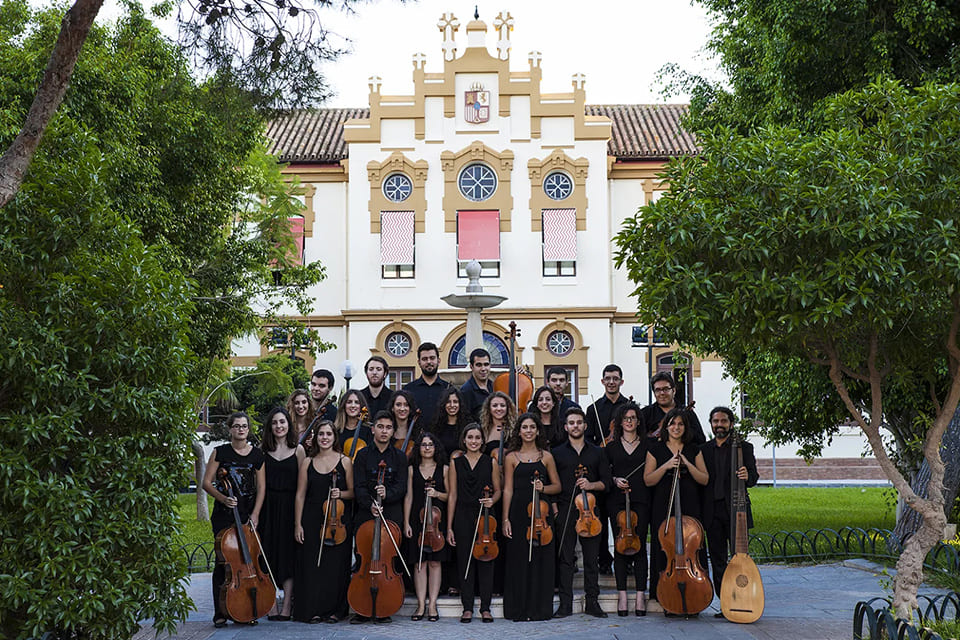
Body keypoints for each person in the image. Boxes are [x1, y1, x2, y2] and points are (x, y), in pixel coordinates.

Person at [202, 412, 266, 628]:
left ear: (248, 429)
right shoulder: (220, 452)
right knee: (224, 564)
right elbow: (207, 483)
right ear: (230, 429)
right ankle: (220, 613)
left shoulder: (257, 455)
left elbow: (261, 488)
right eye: (237, 426)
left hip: (247, 514)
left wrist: (256, 513)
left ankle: (246, 610)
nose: (241, 429)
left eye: (244, 426)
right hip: (224, 515)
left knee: (247, 561)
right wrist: (223, 498)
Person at [644, 406, 709, 611]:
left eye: (680, 424)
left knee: (692, 546)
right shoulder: (655, 449)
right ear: (666, 426)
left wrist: (687, 464)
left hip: (689, 503)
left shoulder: (693, 449)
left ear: (685, 427)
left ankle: (696, 593)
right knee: (665, 548)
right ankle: (665, 595)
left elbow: (704, 479)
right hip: (663, 504)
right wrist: (666, 466)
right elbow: (648, 480)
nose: (676, 427)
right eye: (672, 423)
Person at [552, 407, 612, 619]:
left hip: (591, 511)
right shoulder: (557, 453)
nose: (575, 426)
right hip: (567, 509)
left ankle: (592, 602)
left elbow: (606, 483)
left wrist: (591, 484)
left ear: (585, 426)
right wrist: (555, 508)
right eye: (571, 423)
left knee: (591, 559)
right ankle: (565, 604)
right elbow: (553, 483)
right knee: (566, 559)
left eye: (579, 422)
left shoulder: (597, 452)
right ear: (566, 426)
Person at [501, 413, 561, 621]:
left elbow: (557, 486)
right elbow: (507, 489)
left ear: (537, 431)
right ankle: (519, 609)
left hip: (541, 515)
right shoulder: (510, 457)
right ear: (519, 431)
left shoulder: (546, 457)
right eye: (524, 427)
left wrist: (543, 487)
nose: (528, 431)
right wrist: (505, 518)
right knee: (519, 561)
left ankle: (539, 609)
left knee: (540, 561)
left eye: (532, 427)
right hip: (518, 514)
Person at [350, 411, 409, 624]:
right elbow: (359, 486)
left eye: (388, 427)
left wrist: (388, 494)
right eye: (380, 426)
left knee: (385, 558)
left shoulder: (400, 457)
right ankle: (362, 607)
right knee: (364, 560)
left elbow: (401, 486)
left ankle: (384, 606)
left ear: (393, 431)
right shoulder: (363, 456)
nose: (384, 431)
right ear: (373, 428)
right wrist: (370, 503)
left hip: (391, 513)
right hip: (367, 512)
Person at [293, 421, 354, 624]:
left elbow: (353, 493)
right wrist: (297, 524)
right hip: (312, 520)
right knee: (312, 566)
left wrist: (341, 493)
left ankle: (336, 610)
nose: (325, 438)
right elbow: (300, 495)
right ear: (316, 438)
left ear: (334, 437)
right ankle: (313, 609)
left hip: (336, 521)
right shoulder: (307, 462)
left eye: (328, 434)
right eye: (321, 434)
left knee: (336, 567)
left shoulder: (345, 462)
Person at [700, 406, 759, 615]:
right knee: (717, 560)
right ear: (711, 424)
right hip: (712, 512)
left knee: (739, 558)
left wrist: (746, 476)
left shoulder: (745, 448)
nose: (719, 425)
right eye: (716, 422)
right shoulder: (704, 449)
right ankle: (726, 602)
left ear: (731, 423)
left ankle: (743, 600)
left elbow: (753, 478)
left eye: (723, 421)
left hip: (736, 511)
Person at [446, 424, 501, 623]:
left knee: (486, 560)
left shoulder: (491, 462)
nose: (474, 441)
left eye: (478, 437)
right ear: (464, 439)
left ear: (482, 441)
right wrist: (449, 526)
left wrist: (492, 501)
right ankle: (467, 607)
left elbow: (498, 490)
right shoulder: (456, 463)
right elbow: (452, 495)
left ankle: (485, 608)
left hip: (486, 515)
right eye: (470, 437)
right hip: (462, 514)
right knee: (464, 561)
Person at [258, 407, 306, 621]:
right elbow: (259, 486)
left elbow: (302, 487)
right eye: (275, 423)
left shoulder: (299, 450)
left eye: (283, 422)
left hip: (290, 507)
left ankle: (286, 606)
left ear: (289, 425)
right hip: (268, 506)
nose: (279, 426)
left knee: (288, 555)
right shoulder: (262, 451)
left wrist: (299, 520)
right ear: (270, 427)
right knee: (267, 554)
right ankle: (271, 605)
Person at [605, 402, 650, 616]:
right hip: (617, 501)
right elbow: (605, 473)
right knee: (621, 547)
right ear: (620, 422)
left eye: (633, 418)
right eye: (626, 418)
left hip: (641, 499)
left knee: (639, 547)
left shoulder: (648, 444)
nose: (630, 421)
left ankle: (640, 596)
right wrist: (614, 479)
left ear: (638, 421)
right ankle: (622, 595)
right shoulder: (611, 447)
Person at [583, 364, 628, 575]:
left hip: (622, 468)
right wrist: (601, 448)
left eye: (615, 378)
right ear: (602, 381)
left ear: (621, 381)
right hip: (600, 470)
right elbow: (588, 439)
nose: (611, 381)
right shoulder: (593, 409)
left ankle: (625, 558)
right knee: (599, 517)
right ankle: (603, 559)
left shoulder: (628, 406)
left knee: (621, 518)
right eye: (608, 378)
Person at [402, 432, 450, 622]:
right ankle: (421, 604)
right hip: (418, 520)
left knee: (435, 562)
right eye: (423, 445)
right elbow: (409, 497)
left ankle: (432, 605)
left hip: (437, 521)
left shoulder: (444, 469)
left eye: (431, 445)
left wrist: (437, 493)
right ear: (418, 449)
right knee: (420, 562)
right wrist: (406, 522)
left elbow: (451, 496)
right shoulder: (412, 469)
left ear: (436, 447)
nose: (427, 448)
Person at [639, 372, 706, 444]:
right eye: (658, 390)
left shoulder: (687, 413)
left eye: (666, 389)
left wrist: (683, 432)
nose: (662, 393)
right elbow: (637, 440)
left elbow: (701, 440)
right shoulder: (645, 413)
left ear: (673, 391)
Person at [404, 342, 451, 427]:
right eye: (424, 359)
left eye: (432, 358)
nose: (429, 362)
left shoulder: (448, 389)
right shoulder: (408, 390)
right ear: (419, 362)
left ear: (438, 360)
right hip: (416, 439)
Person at [430, 387, 469, 458]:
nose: (452, 405)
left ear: (460, 404)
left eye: (455, 402)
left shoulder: (467, 425)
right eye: (448, 402)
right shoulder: (436, 426)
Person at [333, 389, 371, 460]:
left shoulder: (368, 431)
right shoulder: (336, 431)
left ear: (362, 407)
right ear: (344, 405)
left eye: (357, 402)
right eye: (349, 402)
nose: (353, 405)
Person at [480, 391, 516, 460]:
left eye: (502, 405)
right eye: (494, 405)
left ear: (507, 408)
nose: (499, 409)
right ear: (489, 409)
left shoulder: (515, 428)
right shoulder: (483, 429)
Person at [460, 348, 493, 423]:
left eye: (486, 364)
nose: (483, 369)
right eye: (479, 365)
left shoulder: (494, 386)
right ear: (471, 367)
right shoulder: (466, 391)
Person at [389, 390, 420, 458]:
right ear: (392, 408)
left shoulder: (418, 434)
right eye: (398, 405)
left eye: (406, 405)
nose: (402, 409)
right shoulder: (387, 432)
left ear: (410, 408)